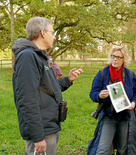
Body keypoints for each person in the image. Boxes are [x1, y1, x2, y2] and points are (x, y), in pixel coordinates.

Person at [12, 17, 83, 155]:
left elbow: (49, 88)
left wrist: (68, 79)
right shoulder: (28, 57)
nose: (55, 37)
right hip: (42, 131)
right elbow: (27, 99)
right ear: (42, 33)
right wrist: (38, 137)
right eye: (52, 32)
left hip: (49, 126)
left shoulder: (40, 57)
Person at [87, 46, 136, 155]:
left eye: (118, 57)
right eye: (113, 56)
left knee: (123, 150)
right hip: (109, 115)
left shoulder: (130, 75)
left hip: (125, 116)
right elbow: (93, 93)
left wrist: (134, 103)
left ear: (124, 59)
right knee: (102, 150)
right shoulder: (102, 73)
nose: (115, 59)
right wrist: (100, 96)